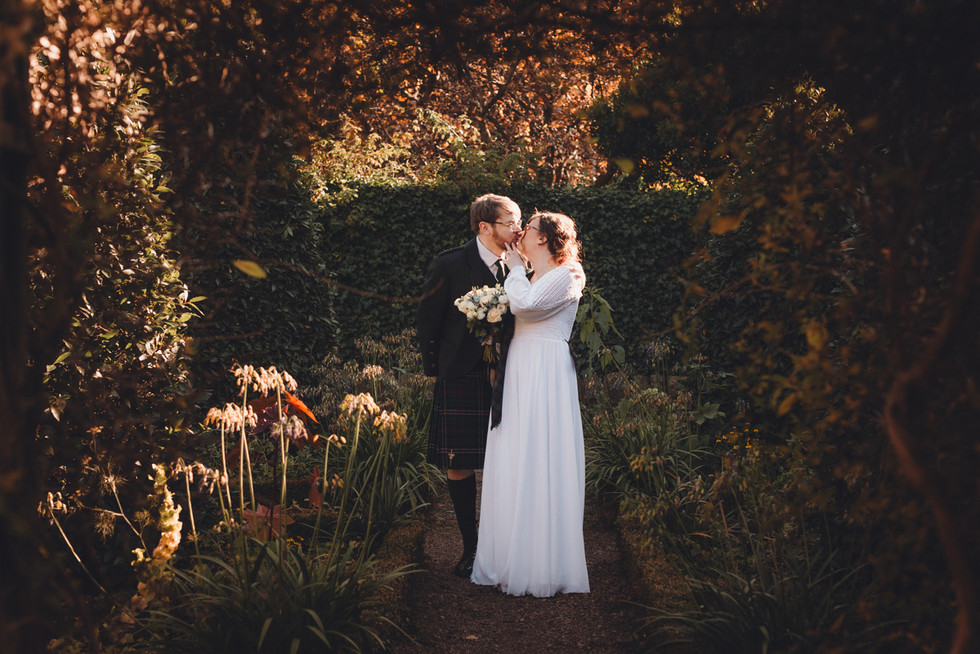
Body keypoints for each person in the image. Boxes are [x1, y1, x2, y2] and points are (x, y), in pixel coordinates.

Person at [471, 211, 590, 597]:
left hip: (548, 373)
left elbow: (526, 305)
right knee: (515, 453)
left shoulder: (569, 275)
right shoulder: (530, 273)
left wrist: (513, 268)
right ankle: (508, 555)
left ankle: (542, 562)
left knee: (542, 455)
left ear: (544, 239)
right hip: (519, 368)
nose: (521, 232)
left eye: (530, 228)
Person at [417, 193, 523, 577]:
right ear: (485, 227)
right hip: (460, 372)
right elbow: (427, 319)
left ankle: (504, 546)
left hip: (512, 373)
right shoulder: (448, 264)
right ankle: (470, 548)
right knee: (459, 464)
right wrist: (435, 369)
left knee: (507, 459)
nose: (518, 229)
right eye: (511, 223)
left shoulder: (523, 263)